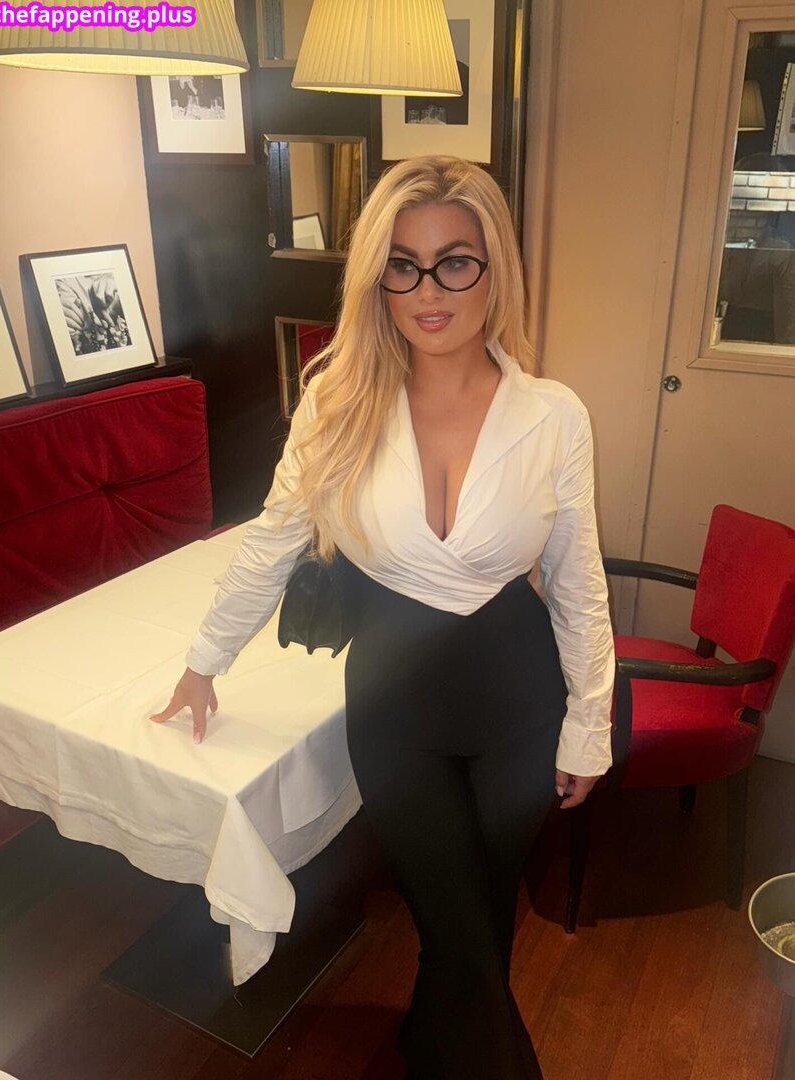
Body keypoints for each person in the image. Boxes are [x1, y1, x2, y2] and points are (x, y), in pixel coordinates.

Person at [150, 155, 616, 1079]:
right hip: (395, 705)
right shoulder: (337, 403)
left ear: (495, 270)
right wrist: (205, 660)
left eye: (455, 262)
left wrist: (589, 724)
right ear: (377, 278)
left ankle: (429, 1042)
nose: (427, 290)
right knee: (452, 914)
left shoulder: (554, 416)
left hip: (519, 699)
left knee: (478, 917)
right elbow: (271, 541)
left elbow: (578, 579)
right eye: (403, 265)